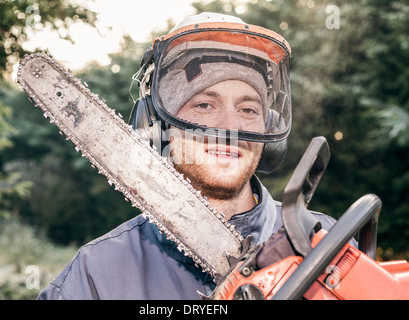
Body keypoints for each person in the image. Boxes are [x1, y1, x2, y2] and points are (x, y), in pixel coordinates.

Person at [37, 12, 336, 300]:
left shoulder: (330, 244)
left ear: (268, 130)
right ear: (157, 128)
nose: (231, 128)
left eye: (248, 110)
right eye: (205, 105)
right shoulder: (95, 277)